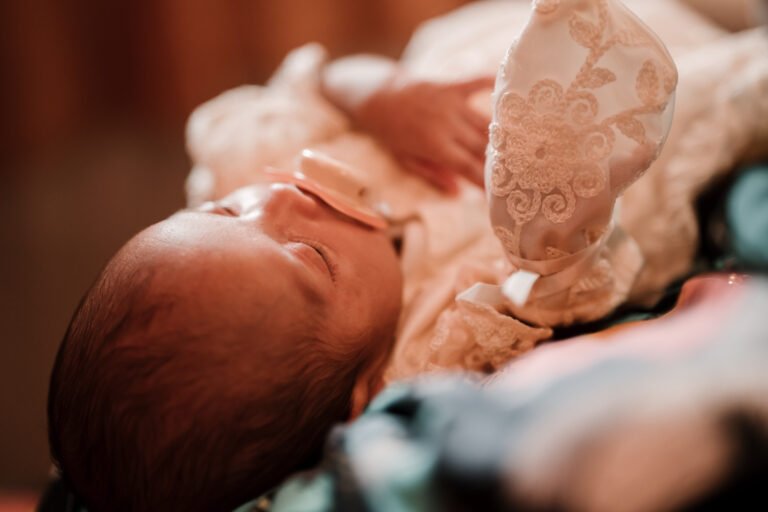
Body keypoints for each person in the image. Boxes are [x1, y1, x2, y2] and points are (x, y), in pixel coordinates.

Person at [47, 0, 768, 510]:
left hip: (517, 33)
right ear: (360, 392)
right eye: (304, 255)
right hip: (664, 114)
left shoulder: (248, 163)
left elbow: (302, 87)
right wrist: (544, 203)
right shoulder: (427, 346)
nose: (286, 197)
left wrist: (375, 95)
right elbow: (559, 298)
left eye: (228, 212)